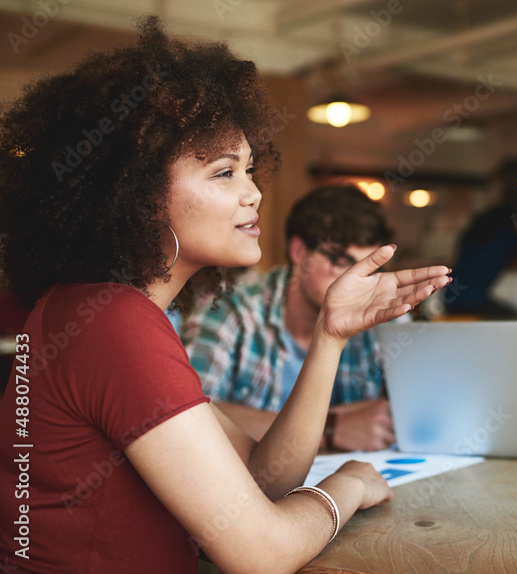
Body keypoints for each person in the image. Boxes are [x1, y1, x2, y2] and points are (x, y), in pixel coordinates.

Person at [0, 19, 450, 573]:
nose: (254, 192)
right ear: (140, 196)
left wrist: (331, 336)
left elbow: (260, 477)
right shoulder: (112, 323)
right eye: (224, 172)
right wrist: (347, 487)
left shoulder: (100, 310)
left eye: (250, 169)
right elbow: (260, 555)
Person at [182, 185, 397, 452]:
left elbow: (414, 413)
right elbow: (189, 416)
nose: (358, 282)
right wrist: (332, 428)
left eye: (370, 267)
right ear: (298, 252)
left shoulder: (384, 320)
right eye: (342, 261)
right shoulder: (230, 307)